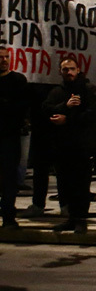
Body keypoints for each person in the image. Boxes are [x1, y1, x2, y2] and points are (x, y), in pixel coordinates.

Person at [43, 53, 96, 233]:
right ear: (60, 72)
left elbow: (92, 115)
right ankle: (71, 218)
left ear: (78, 70)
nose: (69, 72)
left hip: (82, 145)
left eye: (71, 69)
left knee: (81, 184)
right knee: (65, 184)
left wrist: (67, 119)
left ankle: (81, 219)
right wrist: (65, 107)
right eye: (65, 69)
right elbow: (46, 110)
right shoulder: (57, 92)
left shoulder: (89, 90)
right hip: (62, 146)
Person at [0, 49, 29, 230]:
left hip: (9, 137)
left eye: (6, 57)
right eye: (0, 58)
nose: (4, 60)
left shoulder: (18, 80)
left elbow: (21, 107)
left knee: (9, 178)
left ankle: (8, 216)